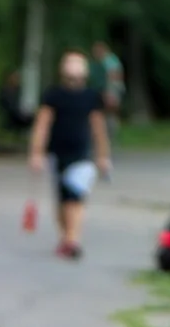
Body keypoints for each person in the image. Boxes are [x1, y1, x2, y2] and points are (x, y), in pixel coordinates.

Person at [28, 51, 112, 259]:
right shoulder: (53, 95)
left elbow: (98, 128)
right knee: (63, 199)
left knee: (75, 197)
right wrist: (37, 152)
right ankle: (66, 237)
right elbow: (42, 125)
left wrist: (103, 156)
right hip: (58, 154)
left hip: (82, 155)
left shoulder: (91, 97)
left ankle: (73, 240)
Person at [89, 40, 126, 130]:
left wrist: (108, 90)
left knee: (110, 112)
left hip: (112, 89)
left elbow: (113, 75)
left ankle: (109, 132)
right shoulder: (105, 61)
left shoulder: (108, 60)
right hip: (108, 89)